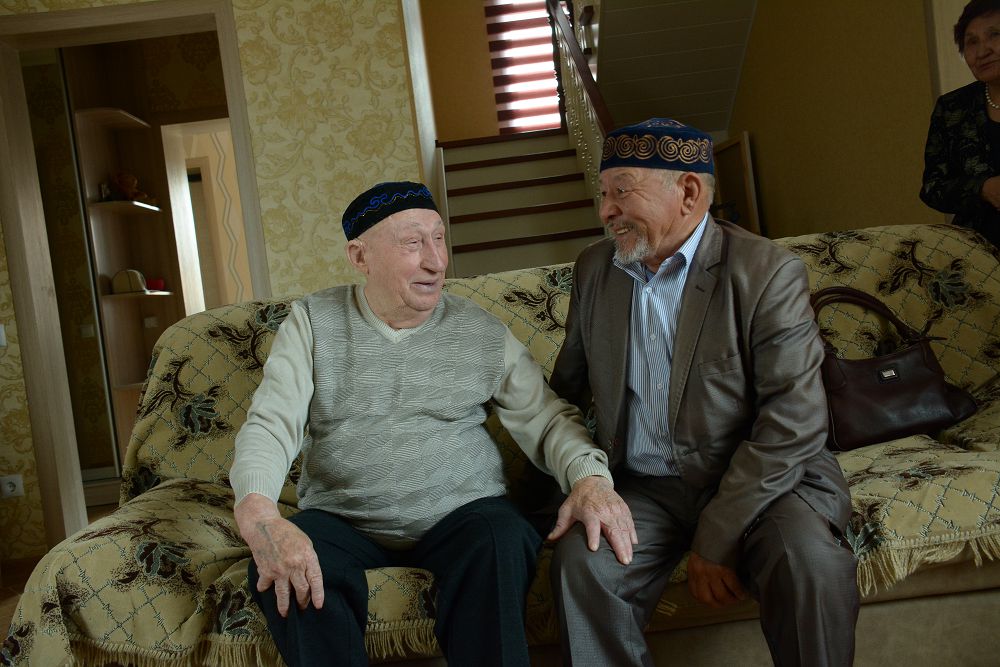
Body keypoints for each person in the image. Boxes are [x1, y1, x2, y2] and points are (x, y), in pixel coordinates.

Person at [230, 181, 635, 667]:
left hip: (463, 514)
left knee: (502, 539)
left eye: (439, 239)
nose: (436, 261)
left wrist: (589, 478)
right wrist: (259, 513)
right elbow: (272, 423)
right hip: (343, 517)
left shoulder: (479, 329)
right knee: (289, 573)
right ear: (360, 257)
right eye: (412, 243)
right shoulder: (314, 322)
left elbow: (547, 419)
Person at [546, 119, 860, 666]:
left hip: (761, 483)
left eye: (621, 192)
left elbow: (794, 420)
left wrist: (716, 536)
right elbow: (566, 392)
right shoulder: (596, 268)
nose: (605, 211)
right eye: (603, 195)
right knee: (584, 563)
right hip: (645, 487)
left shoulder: (766, 270)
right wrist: (567, 487)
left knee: (809, 562)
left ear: (688, 192)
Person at [921, 0, 1000, 247]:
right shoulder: (952, 107)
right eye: (971, 42)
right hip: (976, 253)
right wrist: (983, 188)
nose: (982, 51)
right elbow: (932, 188)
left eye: (994, 35)